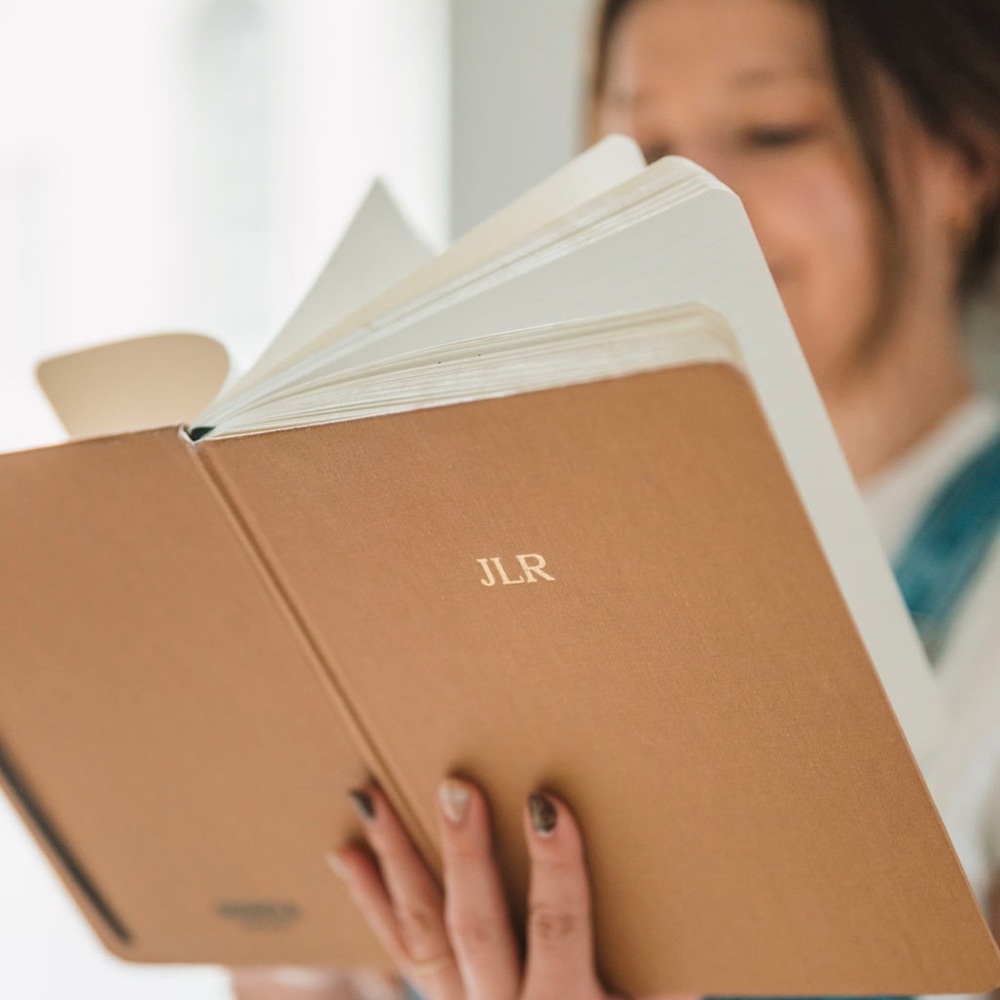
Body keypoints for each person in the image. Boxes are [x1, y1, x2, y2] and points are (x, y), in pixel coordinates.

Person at [234, 1, 1000, 997]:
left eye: (772, 133)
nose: (689, 203)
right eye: (642, 149)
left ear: (962, 164)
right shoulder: (507, 569)